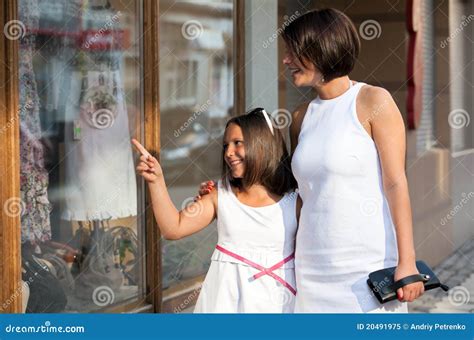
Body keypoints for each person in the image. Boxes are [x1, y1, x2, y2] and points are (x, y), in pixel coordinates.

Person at [200, 8, 424, 313]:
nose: (285, 60)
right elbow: (294, 194)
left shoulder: (373, 101)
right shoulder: (300, 118)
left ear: (320, 50)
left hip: (366, 269)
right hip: (310, 271)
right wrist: (228, 196)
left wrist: (407, 262)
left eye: (293, 52)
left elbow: (396, 183)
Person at [132, 108, 300, 313]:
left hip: (280, 302)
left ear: (263, 144)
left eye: (238, 143)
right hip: (225, 301)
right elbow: (173, 228)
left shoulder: (296, 200)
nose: (228, 153)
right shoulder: (221, 196)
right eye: (226, 145)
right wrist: (156, 180)